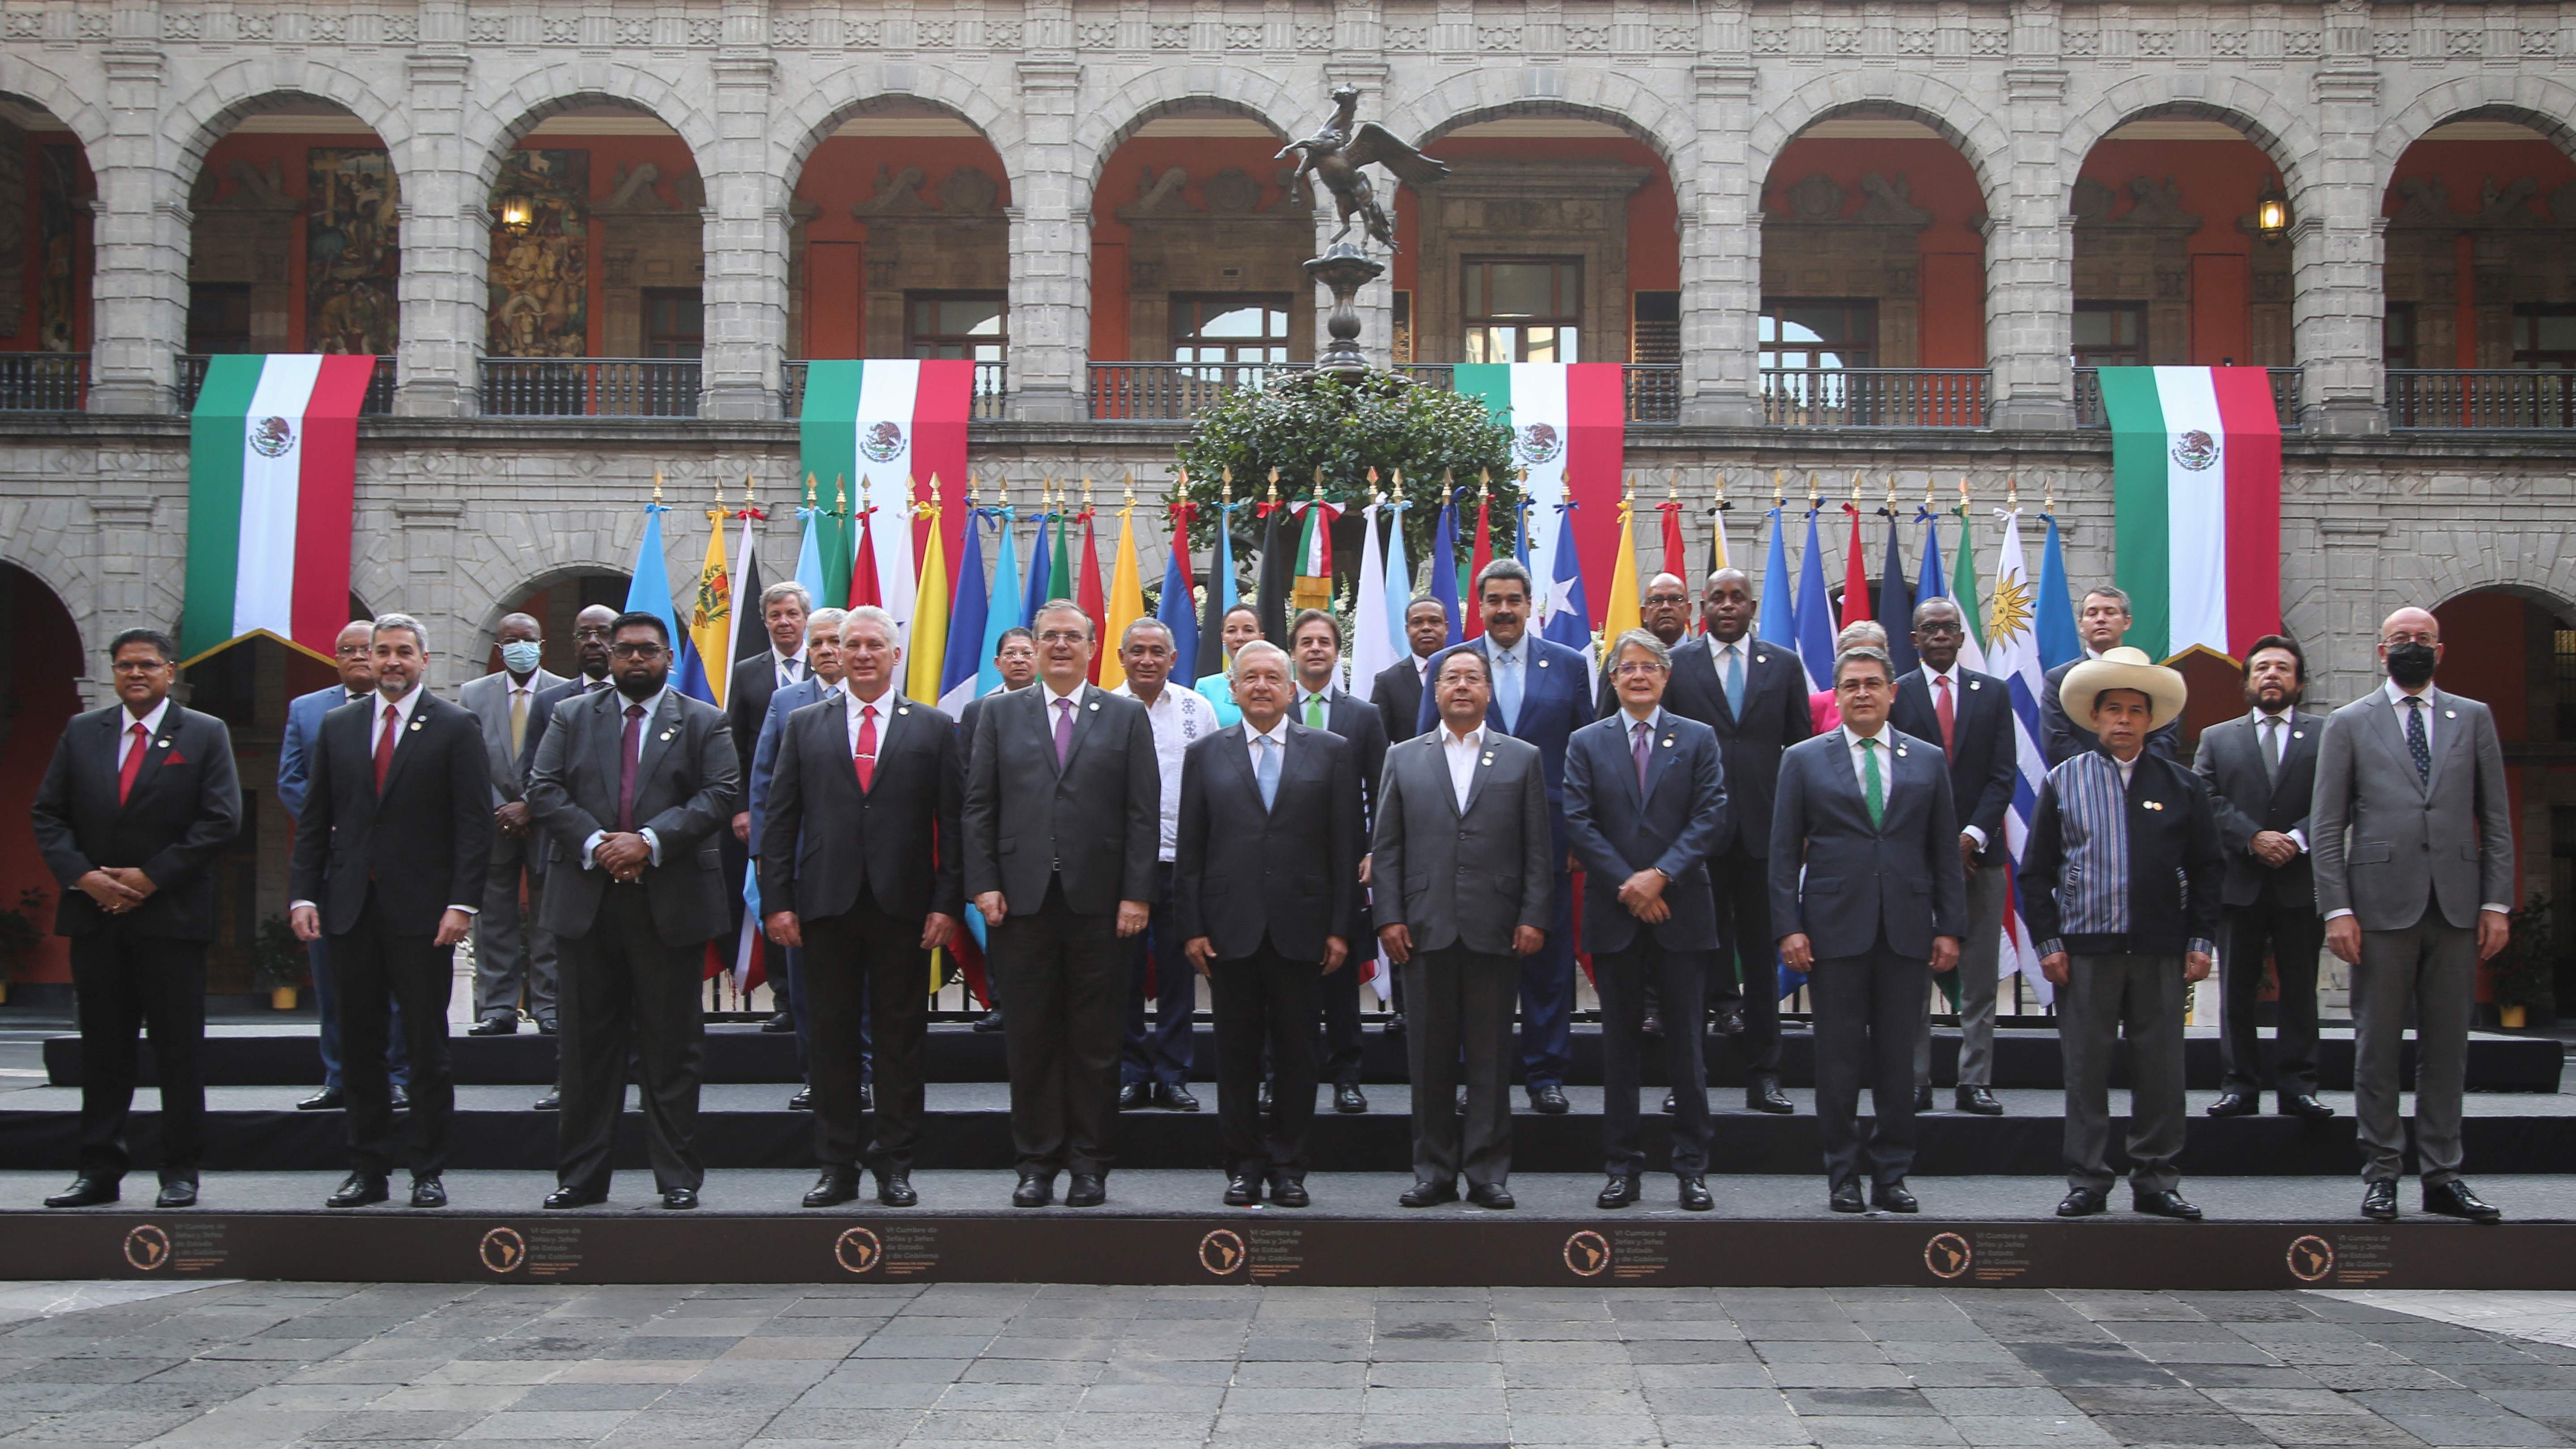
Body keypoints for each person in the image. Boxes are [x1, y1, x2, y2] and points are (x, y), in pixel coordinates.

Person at [526, 611, 740, 1211]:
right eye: (625, 651)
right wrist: (599, 844)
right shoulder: (570, 715)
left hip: (669, 905)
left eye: (648, 650)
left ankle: (677, 1177)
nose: (636, 659)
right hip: (587, 904)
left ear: (669, 658)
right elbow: (543, 789)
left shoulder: (704, 720)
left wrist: (647, 841)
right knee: (585, 1051)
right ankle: (581, 1178)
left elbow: (720, 794)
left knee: (672, 1050)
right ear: (610, 657)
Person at [2312, 606, 2514, 1224]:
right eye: (2401, 639)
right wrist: (2337, 909)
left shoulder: (2473, 718)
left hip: (2456, 907)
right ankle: (2382, 1174)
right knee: (2376, 1049)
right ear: (2382, 652)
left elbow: (2496, 819)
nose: (2413, 646)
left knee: (2447, 1050)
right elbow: (2327, 827)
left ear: (2440, 650)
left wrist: (2496, 903)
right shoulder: (2349, 723)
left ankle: (2443, 1175)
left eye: (2423, 639)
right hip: (2377, 910)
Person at [30, 627, 242, 1209]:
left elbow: (221, 819)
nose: (136, 674)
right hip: (95, 916)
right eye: (125, 665)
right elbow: (48, 815)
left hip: (170, 918)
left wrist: (151, 877)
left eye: (148, 665)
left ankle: (180, 1171)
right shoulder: (82, 732)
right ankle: (99, 1170)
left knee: (178, 1052)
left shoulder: (204, 733)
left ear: (170, 671)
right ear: (114, 672)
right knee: (103, 1052)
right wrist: (87, 877)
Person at [287, 614, 491, 1210]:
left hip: (425, 914)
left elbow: (474, 823)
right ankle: (367, 1169)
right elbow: (316, 820)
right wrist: (303, 894)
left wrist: (462, 903)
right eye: (382, 652)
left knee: (426, 1048)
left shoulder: (454, 725)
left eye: (404, 651)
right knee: (360, 1046)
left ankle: (427, 1170)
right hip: (351, 909)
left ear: (424, 660)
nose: (392, 661)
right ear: (369, 660)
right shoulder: (339, 725)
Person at [762, 605, 960, 1210]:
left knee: (901, 1043)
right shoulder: (804, 724)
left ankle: (895, 1164)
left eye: (876, 645)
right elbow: (781, 819)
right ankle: (836, 1167)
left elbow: (953, 824)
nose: (864, 655)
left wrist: (946, 902)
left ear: (896, 655)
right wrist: (777, 902)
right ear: (837, 655)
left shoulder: (933, 727)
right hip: (825, 906)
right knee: (831, 1043)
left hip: (904, 908)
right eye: (854, 646)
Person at [964, 599, 1160, 1209]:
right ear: (1036, 645)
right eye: (1049, 636)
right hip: (1020, 903)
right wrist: (983, 883)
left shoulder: (1125, 715)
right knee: (1031, 1039)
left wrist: (1136, 894)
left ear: (1092, 648)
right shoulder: (998, 714)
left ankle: (1090, 1164)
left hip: (1101, 904)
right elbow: (979, 806)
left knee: (1096, 1041)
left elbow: (1142, 812)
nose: (1060, 646)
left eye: (1072, 637)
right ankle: (1036, 1163)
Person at [2019, 647, 2223, 1221]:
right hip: (2085, 952)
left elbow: (2208, 868)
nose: (2125, 721)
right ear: (2096, 717)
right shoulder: (2064, 781)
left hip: (2161, 951)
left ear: (2151, 719)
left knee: (2162, 1072)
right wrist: (2049, 944)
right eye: (2114, 710)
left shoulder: (2182, 785)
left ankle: (2156, 1180)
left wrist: (2201, 940)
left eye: (2136, 711)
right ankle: (2088, 1179)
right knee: (2086, 1072)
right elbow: (2035, 873)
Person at [1771, 645, 1965, 1215]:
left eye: (1873, 683)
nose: (1862, 693)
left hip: (1906, 930)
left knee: (1898, 1062)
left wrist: (1950, 927)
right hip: (1833, 932)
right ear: (1837, 695)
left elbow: (1944, 852)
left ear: (1892, 692)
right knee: (1838, 1062)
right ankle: (1843, 1175)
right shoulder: (1803, 759)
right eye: (1852, 685)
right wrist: (1788, 928)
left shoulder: (1927, 759)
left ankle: (1892, 1175)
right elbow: (1782, 854)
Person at [1175, 640, 1360, 1208]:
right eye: (1249, 677)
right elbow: (1191, 849)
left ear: (1291, 689)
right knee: (1235, 1054)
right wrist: (1192, 926)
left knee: (1299, 1055)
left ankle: (1289, 1168)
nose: (1261, 686)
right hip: (1229, 930)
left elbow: (1344, 846)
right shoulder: (1205, 754)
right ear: (1232, 689)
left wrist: (1340, 928)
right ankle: (1244, 1166)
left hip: (1303, 928)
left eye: (1272, 678)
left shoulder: (1331, 752)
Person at [1416, 559, 1593, 1115]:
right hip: (1469, 843)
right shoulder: (1450, 665)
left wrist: (1579, 836)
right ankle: (1474, 1077)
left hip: (1550, 838)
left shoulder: (1567, 665)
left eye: (1514, 599)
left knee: (1548, 963)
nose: (1504, 610)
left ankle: (1546, 1075)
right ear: (1480, 605)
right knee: (1472, 966)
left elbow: (1582, 756)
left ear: (1530, 605)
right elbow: (1424, 756)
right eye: (1494, 600)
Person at [1376, 650, 1551, 1210]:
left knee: (1490, 1058)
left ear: (1488, 691)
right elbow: (1388, 847)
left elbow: (1537, 848)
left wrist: (1532, 915)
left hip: (1495, 928)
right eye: (1451, 678)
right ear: (1436, 690)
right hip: (1423, 927)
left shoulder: (1522, 758)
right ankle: (1433, 1171)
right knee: (1428, 1059)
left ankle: (1487, 1173)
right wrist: (1389, 916)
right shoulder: (1403, 757)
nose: (1461, 686)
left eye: (1473, 678)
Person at [1565, 630, 1726, 1213]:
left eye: (1648, 667)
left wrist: (1660, 876)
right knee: (1620, 1051)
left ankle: (1692, 1169)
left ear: (1665, 676)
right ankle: (1622, 1169)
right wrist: (1630, 887)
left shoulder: (1698, 738)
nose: (1638, 676)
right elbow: (1578, 820)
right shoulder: (1586, 742)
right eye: (1627, 668)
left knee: (1687, 1048)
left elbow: (1711, 815)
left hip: (1681, 910)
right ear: (1612, 680)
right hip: (1616, 913)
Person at [1660, 566, 1809, 1111]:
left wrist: (1802, 830)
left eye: (1738, 597)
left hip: (1765, 837)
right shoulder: (1678, 665)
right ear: (1703, 607)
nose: (1728, 605)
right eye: (1718, 597)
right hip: (1696, 838)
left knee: (1763, 963)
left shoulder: (1784, 666)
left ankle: (1765, 1075)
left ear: (1752, 607)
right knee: (1692, 962)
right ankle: (1686, 1080)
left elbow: (1800, 752)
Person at [2195, 635, 2334, 1121]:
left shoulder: (2327, 734)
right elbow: (2205, 799)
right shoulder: (2218, 738)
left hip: (2300, 881)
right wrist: (2252, 837)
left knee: (2300, 990)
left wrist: (2296, 838)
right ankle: (2240, 1087)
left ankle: (2299, 1088)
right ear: (2247, 682)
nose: (2271, 675)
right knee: (2236, 991)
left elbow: (2337, 798)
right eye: (2262, 668)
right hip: (2240, 882)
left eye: (2282, 668)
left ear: (2299, 682)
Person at [1889, 598, 2018, 1116]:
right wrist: (1939, 845)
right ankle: (1915, 1080)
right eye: (1930, 629)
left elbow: (2002, 776)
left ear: (1963, 638)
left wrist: (1969, 838)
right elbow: (1895, 778)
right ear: (1914, 640)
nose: (1940, 636)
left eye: (1949, 628)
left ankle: (1975, 1081)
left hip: (1980, 858)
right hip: (1916, 860)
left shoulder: (1994, 694)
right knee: (1914, 976)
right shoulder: (1898, 694)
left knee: (1981, 976)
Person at [279, 620, 408, 1112]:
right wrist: (337, 825)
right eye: (346, 650)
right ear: (335, 659)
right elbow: (292, 780)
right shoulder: (308, 710)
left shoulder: (408, 712)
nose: (357, 656)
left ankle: (395, 1076)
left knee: (395, 982)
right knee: (334, 981)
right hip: (334, 864)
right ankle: (339, 1077)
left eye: (364, 648)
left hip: (395, 866)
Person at [1110, 617, 1220, 1113]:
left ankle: (1174, 1075)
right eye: (1137, 651)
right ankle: (1131, 1073)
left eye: (1157, 651)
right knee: (1124, 975)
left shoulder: (1199, 709)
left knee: (1180, 975)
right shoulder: (1105, 709)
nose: (1147, 660)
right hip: (1121, 866)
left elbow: (1216, 782)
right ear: (1121, 657)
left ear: (1174, 659)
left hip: (1183, 862)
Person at [516, 603, 619, 1112]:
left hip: (639, 863)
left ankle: (636, 1081)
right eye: (584, 634)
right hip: (573, 862)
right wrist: (592, 839)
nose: (594, 642)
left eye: (603, 633)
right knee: (573, 987)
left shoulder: (653, 700)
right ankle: (573, 1082)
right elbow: (536, 781)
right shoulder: (551, 703)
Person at [746, 608, 847, 1111]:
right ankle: (817, 1077)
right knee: (808, 983)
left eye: (835, 641)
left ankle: (862, 1073)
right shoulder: (786, 702)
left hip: (864, 866)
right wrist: (766, 856)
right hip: (805, 865)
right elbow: (765, 783)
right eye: (818, 643)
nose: (827, 651)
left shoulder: (883, 703)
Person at [1287, 608, 1386, 1114]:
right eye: (1306, 641)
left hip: (1343, 868)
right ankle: (1281, 1077)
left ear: (1337, 652)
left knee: (1341, 979)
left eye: (1324, 641)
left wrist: (1374, 851)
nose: (1315, 649)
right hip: (1285, 868)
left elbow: (1383, 789)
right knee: (1285, 982)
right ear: (1293, 652)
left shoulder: (1363, 716)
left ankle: (1347, 1077)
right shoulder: (1274, 707)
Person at [461, 611, 566, 1036]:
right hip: (494, 821)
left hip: (547, 821)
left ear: (541, 645)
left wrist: (530, 805)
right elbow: (468, 760)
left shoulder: (564, 693)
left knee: (548, 917)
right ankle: (498, 1007)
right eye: (511, 640)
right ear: (498, 648)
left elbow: (567, 759)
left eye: (528, 639)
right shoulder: (473, 694)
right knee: (493, 918)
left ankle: (549, 1005)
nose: (520, 647)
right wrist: (502, 807)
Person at [727, 581, 811, 1033]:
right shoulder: (748, 673)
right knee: (774, 900)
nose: (784, 622)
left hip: (819, 808)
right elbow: (737, 746)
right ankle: (785, 999)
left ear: (806, 619)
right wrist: (743, 808)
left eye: (792, 614)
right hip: (769, 810)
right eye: (776, 615)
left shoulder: (828, 663)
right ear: (765, 622)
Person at [957, 626, 1038, 1032]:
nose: (1019, 660)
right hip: (998, 834)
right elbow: (967, 779)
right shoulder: (979, 711)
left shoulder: (1054, 708)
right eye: (1012, 654)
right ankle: (1000, 1003)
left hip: (1041, 834)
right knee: (999, 922)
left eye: (1026, 653)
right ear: (997, 663)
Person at [2039, 586, 2183, 766]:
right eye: (2092, 613)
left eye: (2110, 612)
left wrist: (2135, 772)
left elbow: (2165, 737)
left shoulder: (2151, 678)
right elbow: (2057, 739)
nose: (2101, 619)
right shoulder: (2059, 679)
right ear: (2081, 625)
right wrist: (2102, 773)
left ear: (2127, 622)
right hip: (2083, 778)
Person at [1593, 573, 1694, 716]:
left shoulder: (1704, 658)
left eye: (1675, 599)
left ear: (1689, 610)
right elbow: (1605, 720)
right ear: (1644, 613)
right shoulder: (1619, 661)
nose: (1666, 607)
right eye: (1656, 601)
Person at [1370, 597, 1450, 748]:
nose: (1426, 628)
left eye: (1434, 621)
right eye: (1417, 622)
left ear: (1446, 628)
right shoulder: (1388, 682)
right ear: (1407, 630)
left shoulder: (1468, 674)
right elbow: (1377, 744)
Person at [1809, 621, 1886, 733]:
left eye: (1871, 656)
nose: (1862, 662)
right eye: (1854, 657)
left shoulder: (1901, 696)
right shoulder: (1817, 704)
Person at [1194, 603, 1262, 727]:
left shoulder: (1278, 684)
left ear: (1261, 637)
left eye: (1248, 630)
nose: (1240, 638)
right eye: (1232, 631)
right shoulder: (1205, 687)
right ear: (1223, 638)